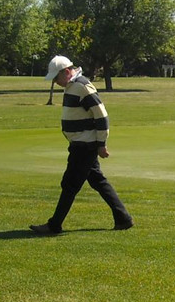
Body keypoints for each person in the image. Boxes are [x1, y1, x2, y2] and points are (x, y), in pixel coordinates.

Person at [31, 55, 133, 234]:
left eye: (57, 77)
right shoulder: (72, 86)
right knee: (98, 181)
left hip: (85, 145)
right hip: (80, 143)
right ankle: (123, 218)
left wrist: (101, 144)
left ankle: (54, 225)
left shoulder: (82, 86)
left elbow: (102, 116)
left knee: (69, 184)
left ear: (67, 71)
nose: (55, 82)